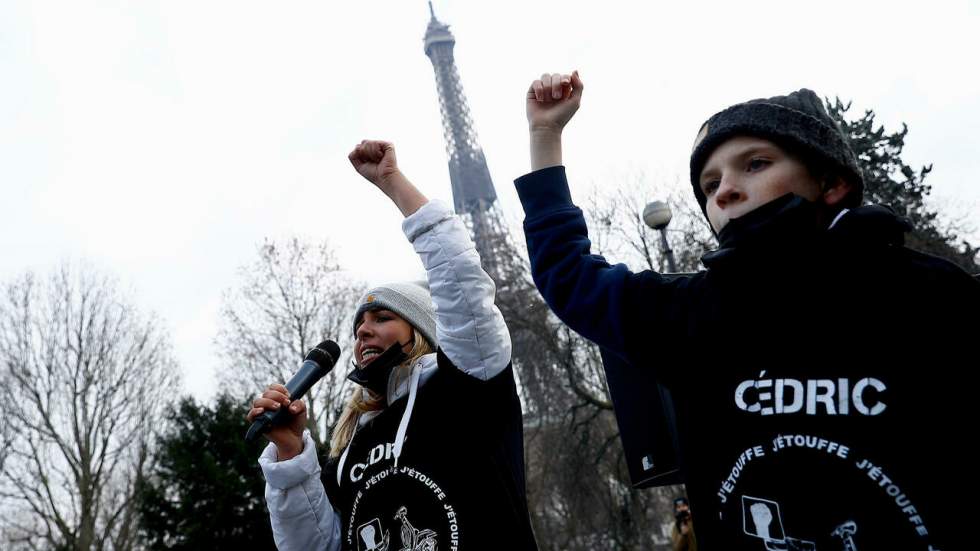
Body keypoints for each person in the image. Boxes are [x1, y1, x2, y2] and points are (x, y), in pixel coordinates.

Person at [514, 71, 978, 548]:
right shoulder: (692, 313)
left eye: (754, 164)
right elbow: (570, 277)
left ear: (833, 181)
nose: (724, 191)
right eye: (709, 183)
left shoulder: (933, 295)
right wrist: (545, 136)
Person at [248, 140, 538, 551]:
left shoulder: (467, 390)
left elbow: (462, 287)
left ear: (421, 331)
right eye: (358, 326)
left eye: (383, 318)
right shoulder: (349, 449)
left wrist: (393, 183)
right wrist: (291, 452)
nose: (363, 331)